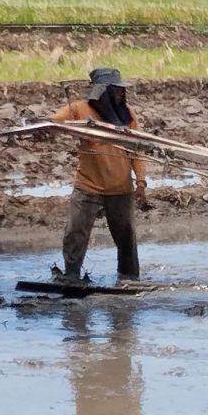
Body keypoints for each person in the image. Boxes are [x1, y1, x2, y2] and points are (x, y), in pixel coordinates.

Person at [51, 67, 148, 283]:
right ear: (101, 92)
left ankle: (129, 278)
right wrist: (42, 126)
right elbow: (55, 122)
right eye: (115, 91)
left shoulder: (127, 114)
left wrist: (140, 181)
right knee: (75, 232)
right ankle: (71, 275)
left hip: (121, 188)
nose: (120, 95)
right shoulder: (80, 109)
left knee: (126, 237)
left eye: (121, 91)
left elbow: (138, 150)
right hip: (88, 185)